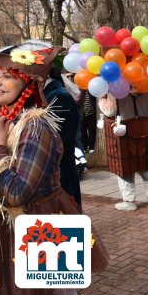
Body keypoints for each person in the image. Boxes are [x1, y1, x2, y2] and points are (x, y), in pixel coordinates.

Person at [0, 40, 108, 295]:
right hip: (21, 226)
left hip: (43, 223)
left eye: (7, 76)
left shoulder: (36, 125)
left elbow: (16, 193)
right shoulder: (6, 119)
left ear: (28, 81)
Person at [99, 90, 148, 211]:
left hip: (124, 134)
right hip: (145, 132)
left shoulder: (115, 92)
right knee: (147, 165)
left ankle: (129, 200)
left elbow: (110, 111)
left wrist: (101, 99)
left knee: (125, 167)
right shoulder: (147, 92)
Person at [44, 66, 83, 207]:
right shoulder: (45, 92)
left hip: (60, 175)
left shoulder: (58, 96)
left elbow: (56, 140)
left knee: (65, 224)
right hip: (54, 175)